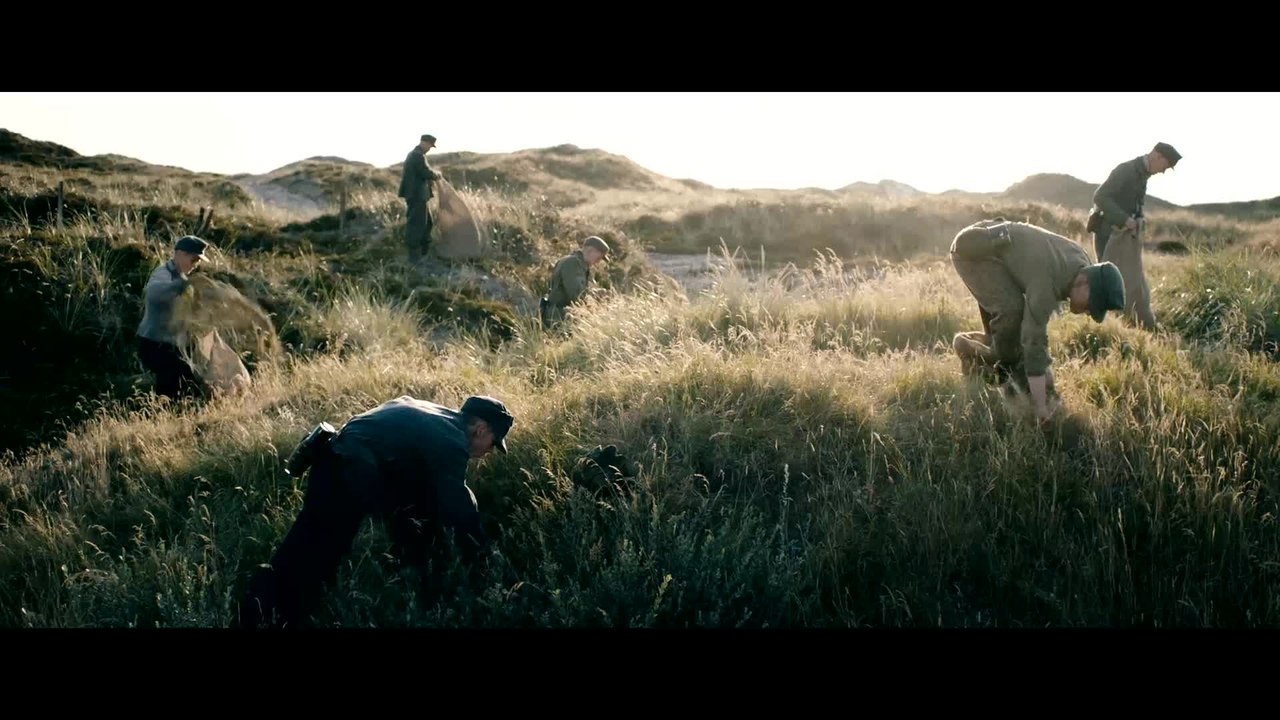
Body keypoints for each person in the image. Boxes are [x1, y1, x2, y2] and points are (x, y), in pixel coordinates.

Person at [234, 394, 513, 629]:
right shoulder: (451, 441)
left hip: (333, 461)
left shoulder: (432, 414)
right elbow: (458, 509)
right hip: (347, 473)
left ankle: (257, 607)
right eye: (493, 443)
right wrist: (486, 557)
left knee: (303, 548)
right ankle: (267, 618)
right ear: (480, 428)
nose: (489, 451)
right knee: (316, 559)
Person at [949, 218, 1126, 424]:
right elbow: (1034, 340)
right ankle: (970, 350)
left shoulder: (1081, 264)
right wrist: (1041, 407)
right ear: (1083, 283)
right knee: (1011, 313)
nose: (1088, 312)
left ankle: (994, 361)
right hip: (973, 249)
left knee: (1011, 330)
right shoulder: (1048, 282)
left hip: (996, 249)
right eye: (1090, 305)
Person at [1086, 142, 1181, 330]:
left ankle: (1119, 322)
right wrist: (1124, 219)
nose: (1163, 172)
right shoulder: (1126, 170)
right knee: (1105, 278)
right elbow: (1100, 197)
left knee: (1121, 279)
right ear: (1157, 156)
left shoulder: (1142, 175)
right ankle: (1099, 325)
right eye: (1166, 166)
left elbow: (1134, 204)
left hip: (1120, 234)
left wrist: (1138, 218)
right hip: (1108, 233)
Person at [136, 235, 209, 400]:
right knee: (173, 382)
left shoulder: (183, 279)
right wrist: (183, 285)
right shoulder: (163, 274)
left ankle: (178, 415)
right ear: (180, 254)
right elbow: (155, 293)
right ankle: (161, 415)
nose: (195, 265)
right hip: (154, 345)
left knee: (190, 382)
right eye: (194, 259)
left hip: (174, 345)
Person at [541, 235, 610, 330]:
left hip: (568, 315)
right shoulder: (572, 264)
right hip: (559, 317)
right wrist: (596, 295)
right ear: (590, 251)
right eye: (599, 258)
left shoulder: (583, 267)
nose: (598, 262)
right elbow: (577, 295)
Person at [397, 134, 442, 262]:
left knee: (427, 223)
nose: (429, 149)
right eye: (429, 146)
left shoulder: (416, 154)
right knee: (417, 224)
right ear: (424, 143)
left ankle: (423, 253)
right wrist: (437, 174)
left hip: (418, 195)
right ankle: (414, 257)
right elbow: (425, 172)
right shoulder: (417, 155)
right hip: (416, 195)